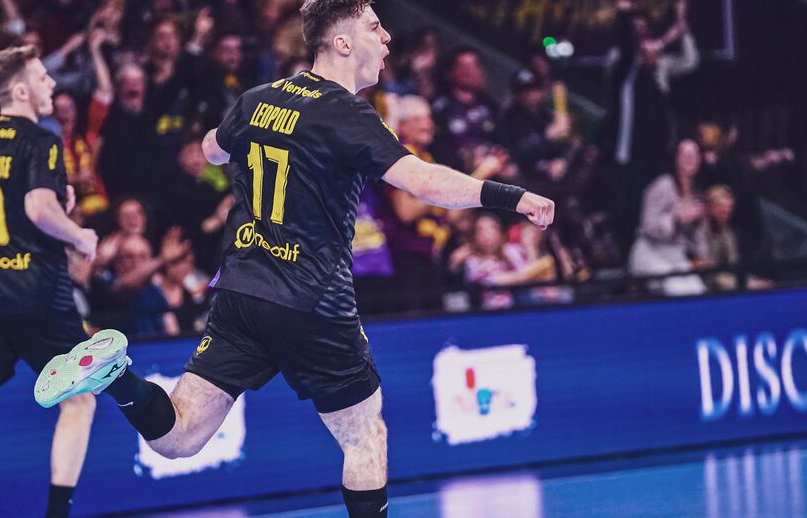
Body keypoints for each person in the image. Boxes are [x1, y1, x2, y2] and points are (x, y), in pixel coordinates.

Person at [34, 3, 554, 518]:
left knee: (179, 438)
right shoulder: (348, 113)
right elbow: (425, 182)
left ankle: (116, 376)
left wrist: (247, 140)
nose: (388, 38)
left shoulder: (257, 99)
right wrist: (512, 197)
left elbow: (211, 149)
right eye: (375, 27)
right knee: (364, 437)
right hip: (312, 299)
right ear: (342, 43)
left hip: (240, 293)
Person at [0, 45, 99, 518]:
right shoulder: (41, 139)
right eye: (43, 77)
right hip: (38, 294)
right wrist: (79, 234)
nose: (52, 84)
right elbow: (38, 209)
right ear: (20, 91)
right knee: (79, 401)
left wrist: (56, 203)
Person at [627, 139, 708, 296]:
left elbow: (697, 236)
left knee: (698, 290)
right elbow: (648, 225)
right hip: (651, 252)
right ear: (677, 159)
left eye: (695, 155)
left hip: (676, 255)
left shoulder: (696, 192)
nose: (691, 159)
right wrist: (676, 218)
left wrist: (700, 248)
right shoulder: (663, 184)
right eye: (686, 155)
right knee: (675, 289)